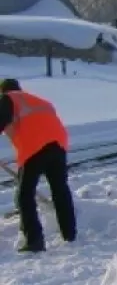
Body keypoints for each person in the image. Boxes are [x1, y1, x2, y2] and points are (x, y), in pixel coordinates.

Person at [0, 79, 76, 254]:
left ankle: (34, 240)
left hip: (34, 147)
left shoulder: (8, 98)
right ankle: (70, 235)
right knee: (60, 191)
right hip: (58, 145)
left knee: (25, 195)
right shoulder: (38, 100)